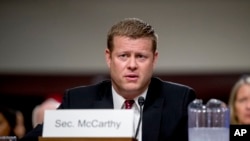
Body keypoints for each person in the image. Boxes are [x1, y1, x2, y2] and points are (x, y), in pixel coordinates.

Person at [20, 17, 196, 141]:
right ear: (108, 58)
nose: (132, 65)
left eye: (141, 56)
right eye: (123, 56)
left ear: (154, 59)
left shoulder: (180, 100)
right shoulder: (78, 100)